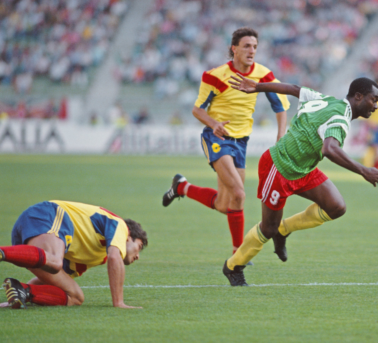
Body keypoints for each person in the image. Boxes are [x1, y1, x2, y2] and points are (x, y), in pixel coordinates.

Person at [221, 76, 378, 286]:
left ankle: (284, 229)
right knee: (268, 229)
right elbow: (330, 149)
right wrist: (363, 170)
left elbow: (294, 89)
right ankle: (233, 266)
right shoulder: (340, 118)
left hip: (303, 170)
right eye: (374, 99)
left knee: (336, 207)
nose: (376, 105)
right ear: (359, 97)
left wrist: (258, 87)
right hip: (279, 167)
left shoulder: (326, 100)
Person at [162, 27, 290, 258]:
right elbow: (197, 110)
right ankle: (238, 255)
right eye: (247, 46)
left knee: (225, 204)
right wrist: (214, 124)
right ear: (234, 49)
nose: (252, 51)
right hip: (217, 138)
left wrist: (280, 135)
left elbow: (280, 107)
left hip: (241, 143)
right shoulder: (214, 76)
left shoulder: (263, 74)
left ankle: (181, 187)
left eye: (255, 47)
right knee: (239, 194)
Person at [1, 200, 147, 309]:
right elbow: (115, 257)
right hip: (47, 214)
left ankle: (23, 291)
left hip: (32, 246)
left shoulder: (98, 257)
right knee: (55, 261)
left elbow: (56, 276)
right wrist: (119, 303)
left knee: (76, 296)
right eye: (139, 246)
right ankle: (3, 251)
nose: (138, 256)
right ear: (128, 237)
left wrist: (24, 290)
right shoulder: (121, 226)